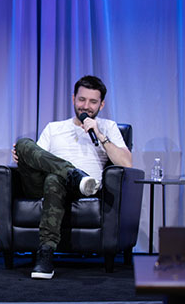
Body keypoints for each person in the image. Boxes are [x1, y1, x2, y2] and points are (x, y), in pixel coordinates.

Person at [12, 75, 132, 280]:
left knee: (54, 180)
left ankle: (45, 256)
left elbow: (126, 163)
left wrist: (100, 135)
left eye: (93, 102)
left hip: (84, 188)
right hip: (40, 185)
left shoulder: (108, 127)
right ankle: (73, 174)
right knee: (23, 144)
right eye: (82, 99)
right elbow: (39, 160)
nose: (86, 106)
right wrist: (23, 156)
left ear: (101, 104)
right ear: (73, 98)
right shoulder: (54, 128)